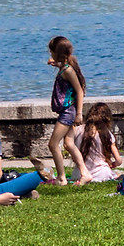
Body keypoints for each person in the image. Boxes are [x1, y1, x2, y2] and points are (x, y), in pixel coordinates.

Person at [42, 36, 88, 185]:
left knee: (53, 144)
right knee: (69, 144)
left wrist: (79, 114)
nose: (50, 54)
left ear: (57, 53)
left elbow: (79, 91)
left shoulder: (68, 70)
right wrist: (55, 64)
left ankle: (61, 178)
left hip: (68, 112)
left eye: (51, 52)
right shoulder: (65, 66)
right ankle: (85, 173)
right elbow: (63, 67)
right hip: (67, 111)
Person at [74, 103, 124, 184]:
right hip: (101, 174)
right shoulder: (107, 134)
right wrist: (114, 164)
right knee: (120, 174)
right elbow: (119, 161)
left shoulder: (77, 130)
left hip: (79, 174)